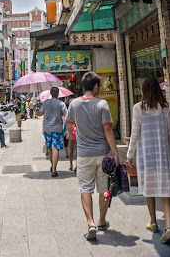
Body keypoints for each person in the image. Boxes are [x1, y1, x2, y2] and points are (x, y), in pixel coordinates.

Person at [66, 71, 119, 242]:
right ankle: (102, 221)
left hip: (84, 155)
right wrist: (116, 153)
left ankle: (90, 223)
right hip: (102, 155)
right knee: (104, 190)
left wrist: (74, 130)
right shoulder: (102, 105)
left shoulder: (74, 104)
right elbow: (108, 130)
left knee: (85, 189)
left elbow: (69, 123)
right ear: (95, 86)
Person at [127, 76, 170, 244]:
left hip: (146, 155)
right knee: (165, 191)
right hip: (163, 154)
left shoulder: (139, 108)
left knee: (149, 188)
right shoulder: (166, 108)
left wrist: (129, 155)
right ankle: (168, 227)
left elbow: (134, 134)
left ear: (144, 91)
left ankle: (153, 222)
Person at [39, 88, 67, 177]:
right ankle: (54, 169)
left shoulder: (46, 103)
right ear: (58, 94)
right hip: (57, 128)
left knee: (50, 148)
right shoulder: (61, 104)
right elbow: (66, 115)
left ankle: (52, 165)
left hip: (47, 128)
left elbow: (39, 114)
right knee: (55, 148)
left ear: (50, 93)